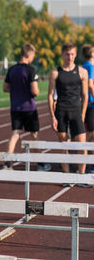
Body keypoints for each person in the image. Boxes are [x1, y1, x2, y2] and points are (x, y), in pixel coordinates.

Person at [2, 44, 50, 171]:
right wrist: (32, 90)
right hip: (29, 108)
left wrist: (17, 89)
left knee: (15, 134)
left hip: (15, 107)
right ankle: (40, 164)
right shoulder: (31, 69)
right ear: (29, 55)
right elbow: (35, 91)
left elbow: (5, 88)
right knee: (34, 134)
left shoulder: (12, 69)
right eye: (33, 55)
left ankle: (7, 163)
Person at [48, 42, 88, 184]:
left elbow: (85, 95)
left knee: (82, 146)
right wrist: (53, 116)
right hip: (61, 111)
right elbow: (51, 95)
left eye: (72, 54)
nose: (69, 57)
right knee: (63, 146)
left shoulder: (82, 71)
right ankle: (67, 177)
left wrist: (83, 114)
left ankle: (81, 177)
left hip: (76, 111)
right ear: (62, 54)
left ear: (75, 55)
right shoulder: (55, 72)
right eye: (67, 54)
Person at [81, 44, 94, 173]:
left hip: (86, 102)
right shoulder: (90, 66)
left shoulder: (84, 65)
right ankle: (90, 162)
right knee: (91, 133)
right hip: (91, 103)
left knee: (89, 133)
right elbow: (90, 84)